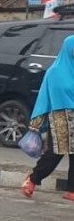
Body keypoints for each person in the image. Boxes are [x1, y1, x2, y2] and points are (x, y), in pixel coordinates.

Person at [21, 35, 74, 202]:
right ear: (67, 49)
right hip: (60, 117)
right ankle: (33, 179)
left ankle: (72, 190)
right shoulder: (54, 72)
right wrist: (36, 123)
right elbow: (44, 98)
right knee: (55, 153)